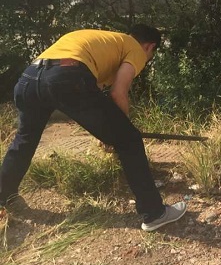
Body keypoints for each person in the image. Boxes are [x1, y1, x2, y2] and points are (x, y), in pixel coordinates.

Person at [0, 25, 187, 231]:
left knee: (24, 140)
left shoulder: (104, 41)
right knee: (130, 140)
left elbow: (91, 101)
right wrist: (121, 131)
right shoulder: (135, 48)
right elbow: (118, 92)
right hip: (66, 76)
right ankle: (154, 213)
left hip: (28, 79)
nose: (147, 58)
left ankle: (3, 196)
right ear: (149, 46)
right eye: (151, 54)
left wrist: (107, 133)